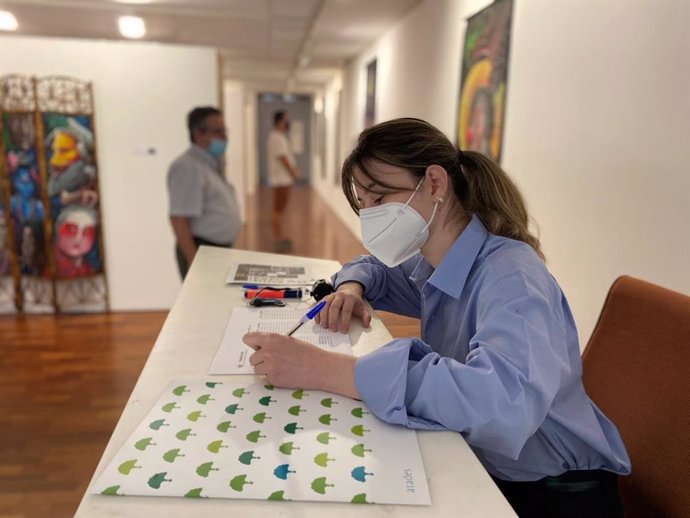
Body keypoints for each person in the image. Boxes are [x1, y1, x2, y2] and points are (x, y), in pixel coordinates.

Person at [243, 118, 631, 517]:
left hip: (554, 493)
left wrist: (331, 371)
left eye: (379, 199)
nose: (370, 218)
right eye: (363, 205)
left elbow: (501, 406)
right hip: (487, 461)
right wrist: (350, 288)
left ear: (433, 184)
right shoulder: (436, 263)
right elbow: (371, 268)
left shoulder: (511, 275)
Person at [168, 107, 241, 278]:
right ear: (199, 134)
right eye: (218, 131)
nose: (224, 137)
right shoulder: (187, 167)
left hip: (216, 249)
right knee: (203, 302)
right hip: (200, 250)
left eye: (224, 131)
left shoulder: (210, 163)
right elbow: (179, 219)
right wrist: (194, 263)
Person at [266, 110, 300, 252]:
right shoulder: (276, 138)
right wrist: (293, 172)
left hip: (283, 179)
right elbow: (283, 158)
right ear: (280, 121)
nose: (288, 122)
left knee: (280, 209)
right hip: (280, 179)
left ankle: (279, 236)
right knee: (278, 209)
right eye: (286, 120)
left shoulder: (279, 137)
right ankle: (278, 237)